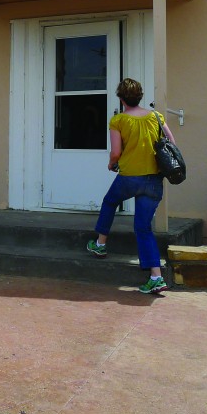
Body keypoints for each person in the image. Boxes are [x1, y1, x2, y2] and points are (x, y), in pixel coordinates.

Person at [86, 78, 176, 294]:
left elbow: (116, 152)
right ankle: (156, 276)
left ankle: (100, 244)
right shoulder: (156, 116)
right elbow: (172, 144)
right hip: (153, 179)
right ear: (140, 96)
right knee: (143, 228)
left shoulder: (118, 120)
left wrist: (111, 163)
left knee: (110, 202)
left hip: (129, 178)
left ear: (121, 98)